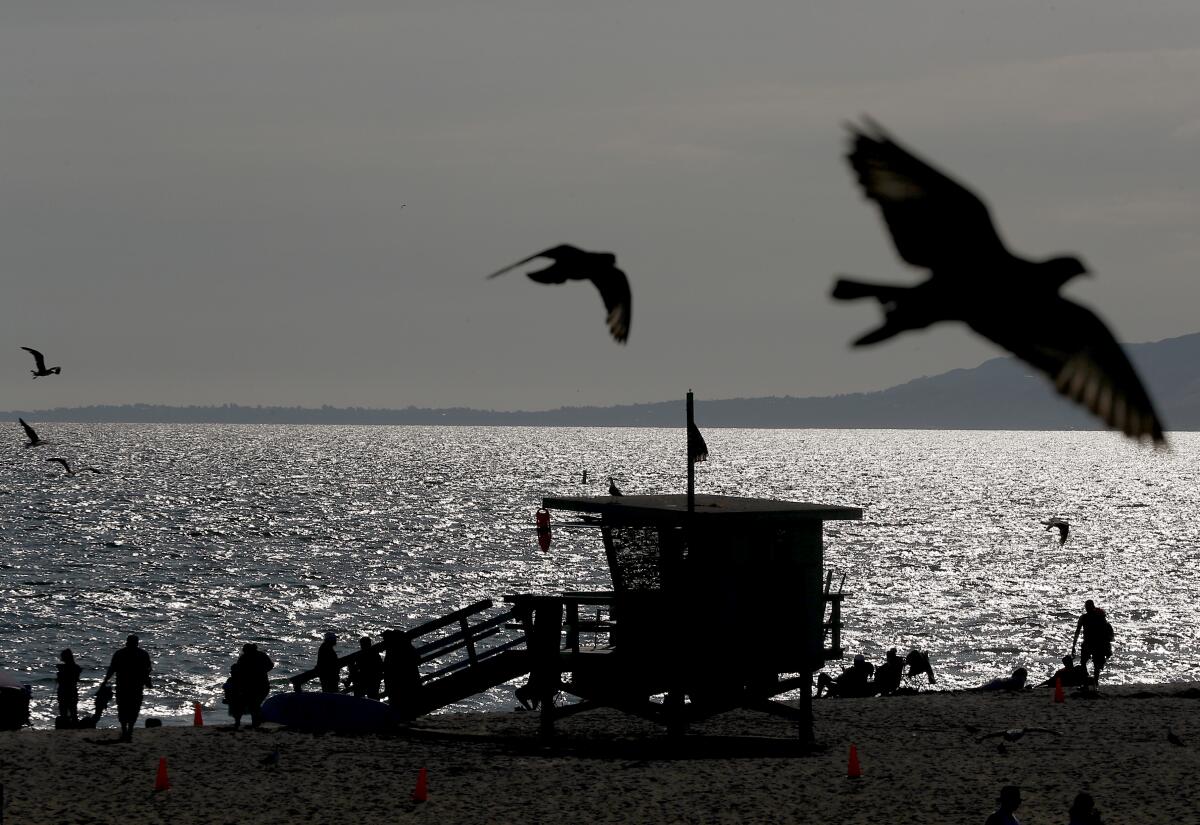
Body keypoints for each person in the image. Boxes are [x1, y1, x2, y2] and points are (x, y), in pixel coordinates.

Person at [103, 634, 152, 742]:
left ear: (127, 642)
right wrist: (148, 682)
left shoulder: (120, 654)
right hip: (135, 687)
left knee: (123, 708)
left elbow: (112, 669)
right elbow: (147, 671)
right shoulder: (142, 654)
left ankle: (126, 730)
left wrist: (105, 681)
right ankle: (128, 730)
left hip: (123, 686)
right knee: (133, 708)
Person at [1072, 600, 1113, 691]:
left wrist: (1074, 645)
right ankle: (1091, 684)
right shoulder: (1092, 617)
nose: (1087, 609)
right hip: (1092, 643)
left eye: (1087, 607)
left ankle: (1093, 684)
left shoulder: (1095, 617)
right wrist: (1073, 645)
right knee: (1087, 663)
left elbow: (1105, 630)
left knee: (1093, 664)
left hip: (1095, 643)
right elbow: (1078, 631)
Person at [382, 629, 422, 718]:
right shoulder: (406, 647)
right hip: (408, 679)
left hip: (399, 681)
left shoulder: (393, 649)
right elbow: (418, 660)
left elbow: (389, 667)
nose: (384, 641)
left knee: (399, 702)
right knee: (407, 703)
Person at [236, 643, 274, 727]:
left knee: (254, 705)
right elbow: (271, 665)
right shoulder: (260, 655)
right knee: (254, 705)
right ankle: (257, 722)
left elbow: (238, 670)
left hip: (255, 685)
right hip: (259, 684)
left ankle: (257, 722)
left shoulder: (244, 658)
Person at [55, 649, 82, 726]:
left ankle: (65, 726)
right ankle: (74, 726)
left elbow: (60, 680)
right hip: (72, 691)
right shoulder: (76, 668)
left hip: (64, 691)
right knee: (73, 710)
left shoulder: (64, 668)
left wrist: (59, 674)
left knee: (64, 711)